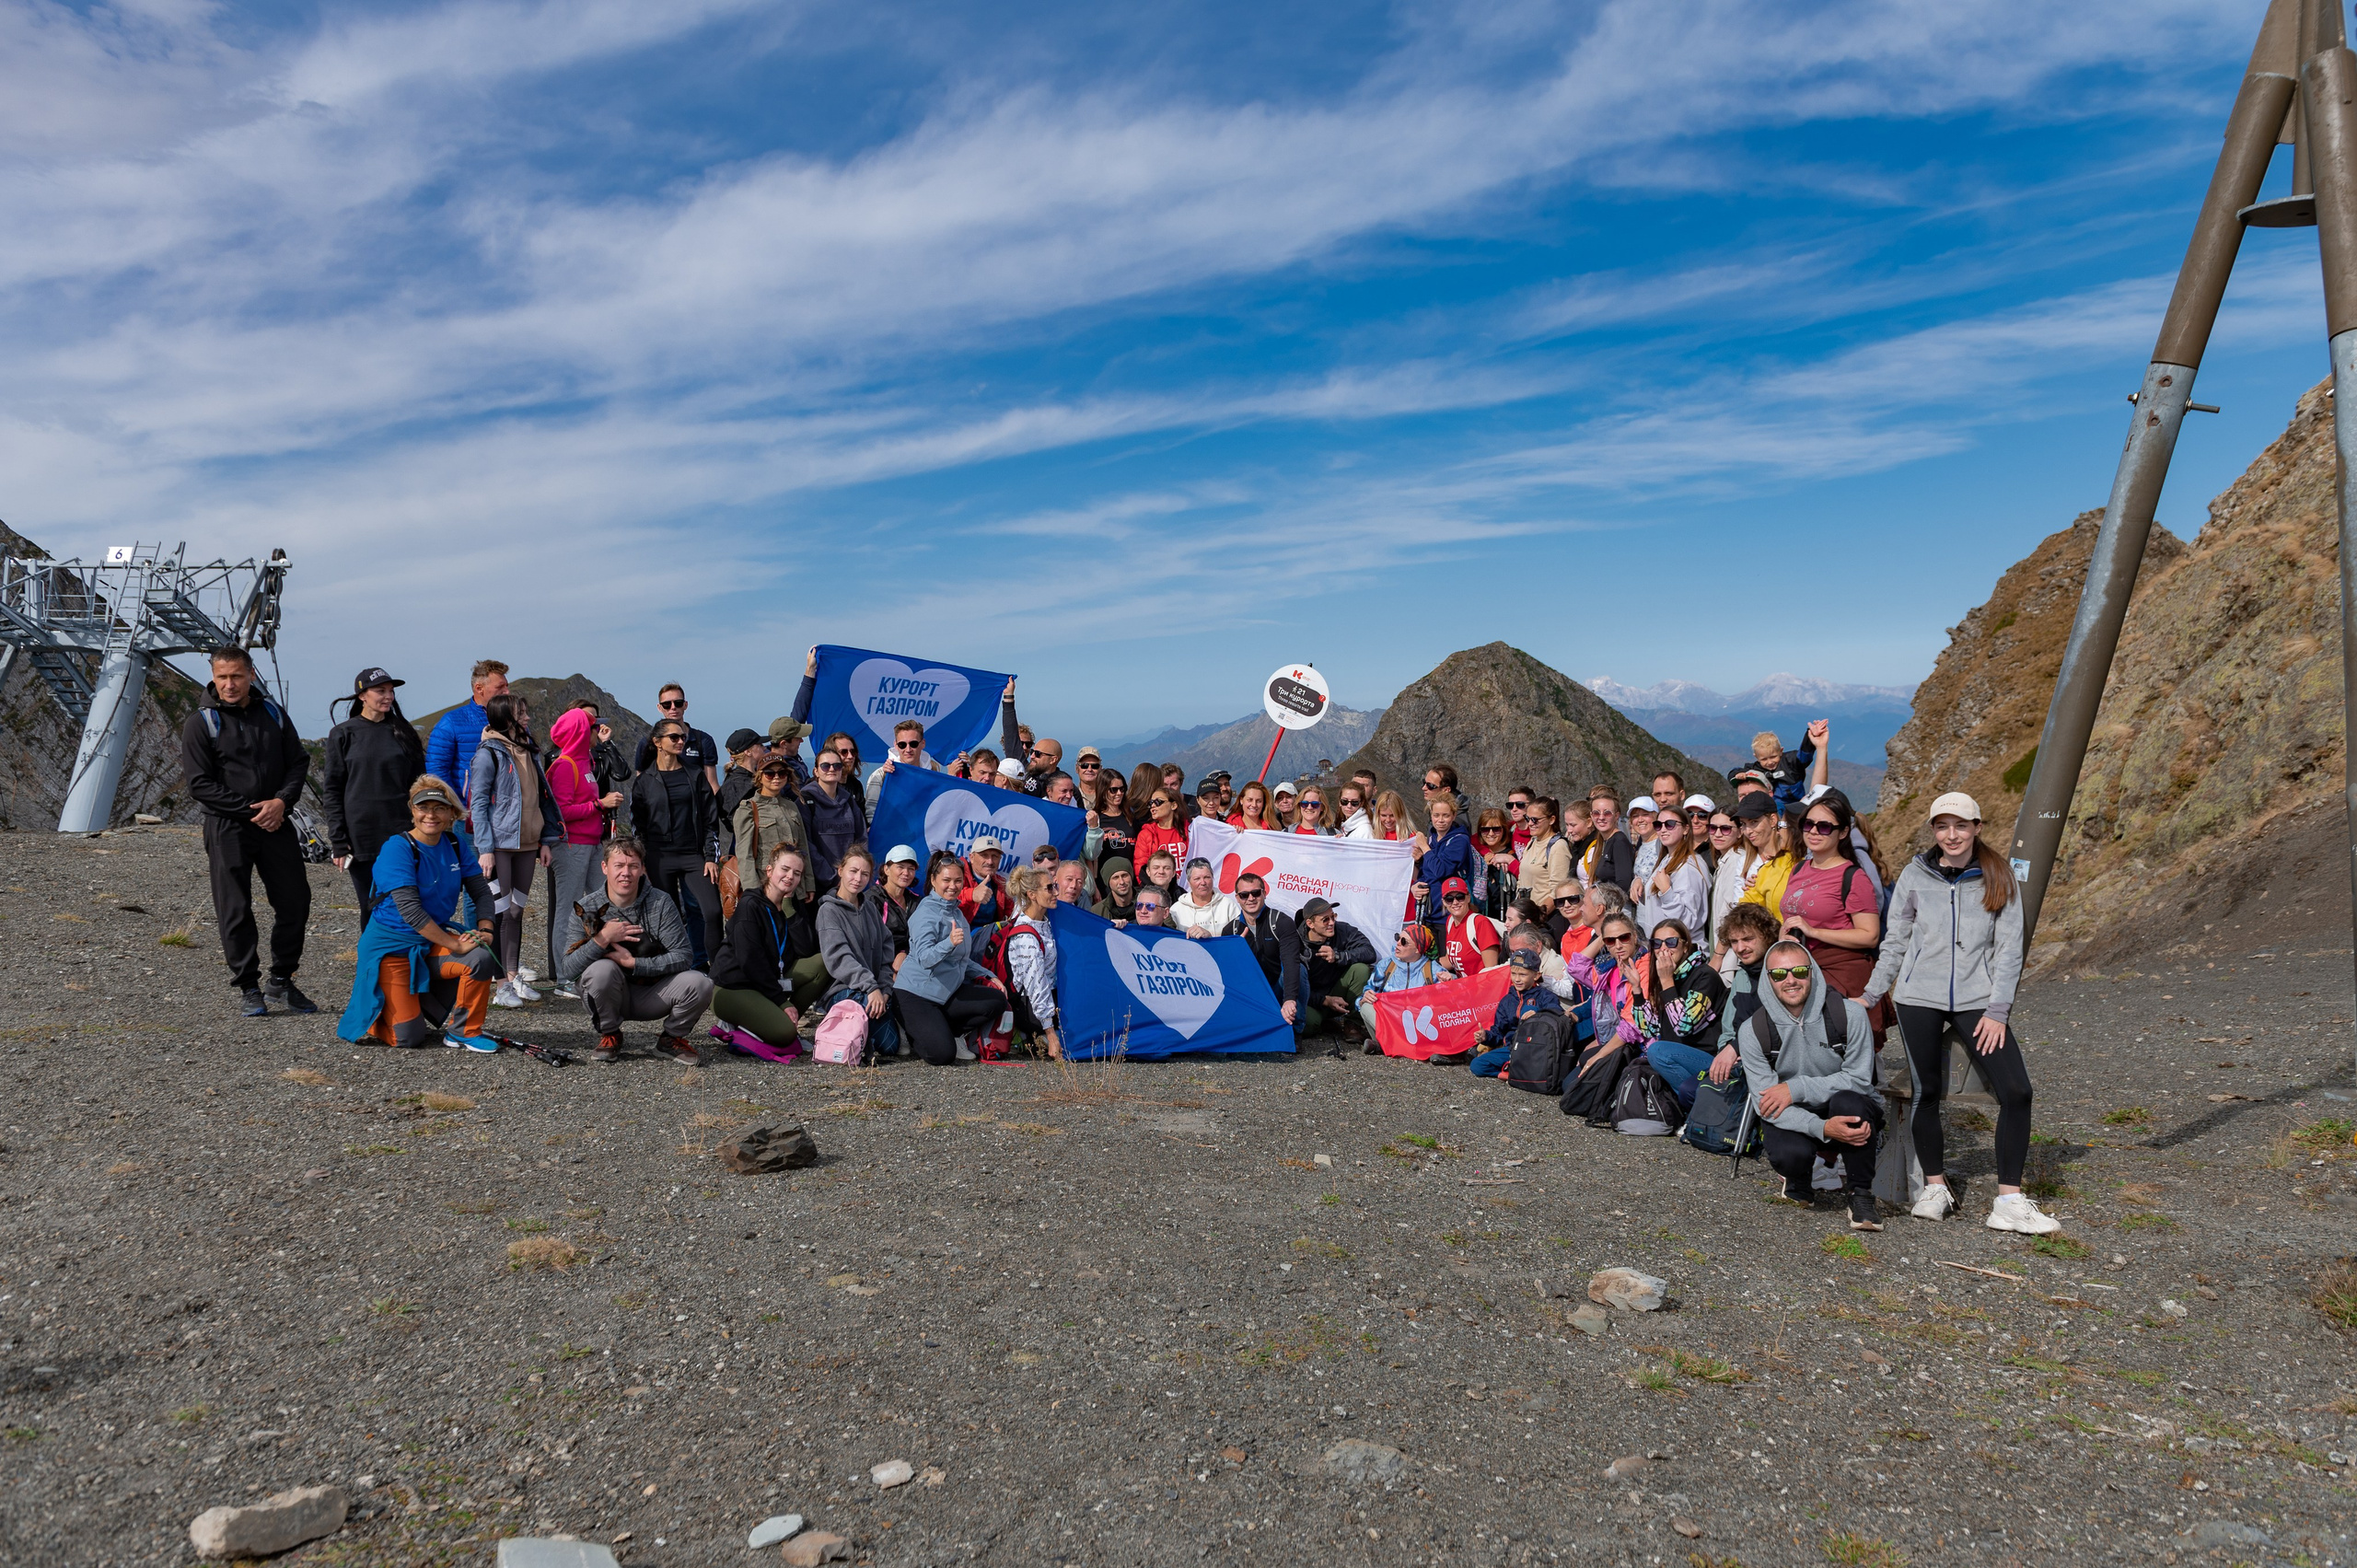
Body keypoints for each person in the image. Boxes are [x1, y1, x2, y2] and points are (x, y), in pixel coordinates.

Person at [1861, 793, 2055, 1234]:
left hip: (1978, 1000)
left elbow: (2009, 950)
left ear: (1977, 827)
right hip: (1917, 997)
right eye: (1943, 826)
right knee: (1926, 1091)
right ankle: (1935, 1187)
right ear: (1933, 830)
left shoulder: (1998, 874)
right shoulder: (1915, 873)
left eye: (1961, 826)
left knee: (2016, 1091)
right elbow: (1895, 940)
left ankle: (2009, 1201)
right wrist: (1871, 995)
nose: (1952, 835)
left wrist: (1998, 1011)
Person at [180, 645, 316, 1016]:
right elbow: (199, 783)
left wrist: (281, 803)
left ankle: (281, 981)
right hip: (227, 826)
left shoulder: (274, 713)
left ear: (251, 675)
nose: (229, 684)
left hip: (277, 820)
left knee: (295, 901)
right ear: (213, 676)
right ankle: (248, 987)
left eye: (236, 676)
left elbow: (298, 761)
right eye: (221, 677)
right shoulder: (201, 723)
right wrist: (252, 810)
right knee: (235, 908)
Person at [337, 776, 501, 1051]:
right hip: (392, 948)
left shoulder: (455, 844)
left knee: (480, 958)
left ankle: (464, 1032)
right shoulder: (397, 848)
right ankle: (380, 1012)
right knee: (409, 1038)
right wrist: (455, 944)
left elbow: (481, 892)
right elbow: (411, 911)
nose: (431, 815)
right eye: (423, 807)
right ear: (412, 811)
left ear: (451, 814)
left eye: (439, 808)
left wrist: (486, 929)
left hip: (429, 942)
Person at [1739, 943, 1883, 1231]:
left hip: (1842, 1102)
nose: (1790, 980)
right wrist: (1822, 1128)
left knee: (1851, 1105)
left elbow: (1858, 1079)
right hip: (1795, 1112)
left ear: (1813, 973)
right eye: (1779, 974)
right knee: (1787, 1154)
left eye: (1799, 971)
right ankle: (1799, 1178)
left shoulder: (1850, 1015)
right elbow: (1764, 1103)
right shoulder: (1753, 1030)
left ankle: (1861, 1194)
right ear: (1768, 980)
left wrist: (1795, 1088)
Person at [555, 837, 716, 1063]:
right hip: (610, 993)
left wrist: (633, 963)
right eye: (618, 865)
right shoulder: (586, 909)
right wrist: (602, 938)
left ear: (642, 869)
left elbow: (684, 956)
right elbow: (569, 968)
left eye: (633, 866)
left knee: (701, 982)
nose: (626, 873)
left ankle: (671, 1038)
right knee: (600, 970)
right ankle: (610, 1033)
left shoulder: (660, 902)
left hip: (654, 993)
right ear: (604, 868)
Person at [467, 692, 563, 1006]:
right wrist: (485, 848)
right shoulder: (487, 754)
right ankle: (501, 987)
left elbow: (542, 799)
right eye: (521, 713)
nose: (527, 718)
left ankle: (512, 977)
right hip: (499, 845)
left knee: (516, 911)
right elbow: (478, 804)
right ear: (506, 717)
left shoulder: (528, 749)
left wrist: (545, 840)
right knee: (497, 913)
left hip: (528, 844)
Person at [321, 666, 426, 914]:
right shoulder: (342, 734)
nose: (388, 696)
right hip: (362, 838)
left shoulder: (403, 732)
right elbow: (332, 790)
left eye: (391, 691)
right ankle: (373, 954)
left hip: (404, 833)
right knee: (371, 907)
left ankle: (407, 954)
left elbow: (421, 784)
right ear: (362, 695)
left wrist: (424, 828)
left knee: (409, 904)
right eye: (381, 691)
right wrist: (338, 841)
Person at [1779, 791, 1885, 1026]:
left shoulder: (1854, 877)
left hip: (1840, 977)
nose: (1814, 831)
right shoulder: (1798, 869)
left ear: (1843, 832)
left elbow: (1870, 936)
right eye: (1809, 824)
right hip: (1802, 972)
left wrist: (1813, 932)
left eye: (1825, 827)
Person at [709, 842, 824, 1059]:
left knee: (823, 964)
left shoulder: (792, 904)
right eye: (785, 869)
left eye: (797, 873)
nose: (790, 877)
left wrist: (790, 911)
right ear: (769, 871)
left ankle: (775, 1019)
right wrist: (782, 1000)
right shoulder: (750, 905)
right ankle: (736, 1025)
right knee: (784, 1033)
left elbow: (807, 950)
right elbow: (750, 961)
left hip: (768, 982)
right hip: (734, 986)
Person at [631, 717, 723, 966]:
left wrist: (710, 858)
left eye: (682, 737)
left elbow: (709, 820)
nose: (681, 741)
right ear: (657, 742)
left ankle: (717, 973)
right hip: (658, 857)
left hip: (693, 855)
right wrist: (641, 864)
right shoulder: (644, 782)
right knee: (667, 916)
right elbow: (637, 827)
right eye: (674, 737)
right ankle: (672, 969)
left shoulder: (695, 775)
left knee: (712, 911)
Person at [900, 851, 1004, 1064]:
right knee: (942, 1056)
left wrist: (989, 975)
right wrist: (949, 942)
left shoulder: (956, 912)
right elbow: (925, 959)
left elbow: (961, 959)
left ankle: (951, 1033)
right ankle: (905, 1026)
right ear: (933, 881)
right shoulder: (925, 913)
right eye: (946, 880)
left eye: (958, 881)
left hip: (946, 992)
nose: (952, 886)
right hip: (916, 994)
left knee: (997, 1000)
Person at [541, 705, 614, 1001]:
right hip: (570, 847)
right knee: (568, 913)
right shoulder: (564, 766)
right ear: (582, 733)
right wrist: (599, 805)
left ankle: (597, 970)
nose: (598, 732)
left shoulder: (585, 764)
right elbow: (561, 812)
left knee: (602, 905)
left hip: (593, 844)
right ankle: (563, 977)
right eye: (594, 727)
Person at [1633, 919, 1729, 1109]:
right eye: (1656, 943)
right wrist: (1637, 990)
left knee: (1657, 1051)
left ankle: (1701, 1106)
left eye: (1671, 942)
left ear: (1685, 946)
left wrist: (1667, 981)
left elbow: (1684, 1026)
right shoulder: (1668, 975)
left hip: (1711, 1059)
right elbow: (1649, 1029)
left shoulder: (1705, 976)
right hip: (1680, 1056)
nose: (1663, 949)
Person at [815, 846, 900, 1055]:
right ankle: (843, 1033)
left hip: (873, 989)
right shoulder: (829, 910)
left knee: (891, 1046)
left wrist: (884, 987)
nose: (858, 878)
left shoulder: (870, 908)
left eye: (864, 874)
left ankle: (865, 1034)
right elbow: (839, 958)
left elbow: (886, 948)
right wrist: (871, 988)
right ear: (841, 871)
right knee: (885, 1043)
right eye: (853, 871)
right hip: (842, 990)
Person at [424, 658, 508, 819]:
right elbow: (436, 769)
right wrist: (458, 808)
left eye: (507, 686)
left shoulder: (514, 720)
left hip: (509, 814)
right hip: (470, 816)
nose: (506, 692)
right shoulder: (451, 722)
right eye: (500, 687)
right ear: (479, 688)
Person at [1467, 949, 1565, 1081]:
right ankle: (1510, 1075)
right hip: (1512, 1049)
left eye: (1523, 974)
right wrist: (1485, 1036)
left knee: (1529, 1008)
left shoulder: (1546, 996)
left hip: (1537, 1049)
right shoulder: (1507, 1000)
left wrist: (1538, 1015)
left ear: (1536, 975)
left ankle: (1518, 1069)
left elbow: (1557, 1016)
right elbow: (1498, 1032)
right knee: (1477, 1065)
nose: (1517, 979)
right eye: (1513, 974)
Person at [999, 864, 1062, 1057]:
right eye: (1049, 888)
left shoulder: (1047, 919)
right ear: (1032, 895)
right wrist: (1051, 1034)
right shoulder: (1026, 938)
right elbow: (1036, 985)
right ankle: (1035, 1035)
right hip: (1031, 1008)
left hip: (1054, 995)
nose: (1056, 893)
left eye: (1055, 886)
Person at [732, 751, 809, 906]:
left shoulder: (792, 807)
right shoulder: (748, 809)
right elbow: (744, 855)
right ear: (759, 776)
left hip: (794, 888)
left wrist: (809, 884)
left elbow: (803, 847)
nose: (776, 777)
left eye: (782, 773)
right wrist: (752, 893)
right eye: (769, 773)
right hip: (765, 888)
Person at [1295, 898, 1376, 1043]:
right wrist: (1324, 1000)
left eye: (1333, 916)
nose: (1331, 923)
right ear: (1310, 924)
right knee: (1306, 1025)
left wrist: (1340, 956)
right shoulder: (1296, 942)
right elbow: (1294, 986)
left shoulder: (1343, 930)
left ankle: (1353, 1023)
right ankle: (1324, 1024)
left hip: (1337, 992)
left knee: (1361, 969)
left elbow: (1369, 952)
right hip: (1310, 999)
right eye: (1325, 919)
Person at [1225, 871, 1302, 1021]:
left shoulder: (1282, 922)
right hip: (1253, 993)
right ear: (1237, 898)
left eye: (1256, 893)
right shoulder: (1230, 930)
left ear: (1264, 893)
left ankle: (1297, 1032)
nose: (1251, 898)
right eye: (1244, 895)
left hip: (1280, 988)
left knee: (1302, 970)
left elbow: (1290, 962)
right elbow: (1228, 972)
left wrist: (1289, 999)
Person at [797, 738, 868, 890]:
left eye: (837, 765)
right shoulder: (806, 801)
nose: (832, 769)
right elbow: (806, 844)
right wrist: (832, 876)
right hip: (819, 884)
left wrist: (851, 873)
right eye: (825, 766)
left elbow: (861, 839)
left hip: (848, 882)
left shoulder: (849, 801)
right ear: (816, 771)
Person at [1355, 923, 1445, 1038]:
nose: (1397, 943)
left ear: (1418, 949)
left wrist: (1448, 985)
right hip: (1390, 1021)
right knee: (1366, 1007)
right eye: (1398, 937)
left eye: (1404, 942)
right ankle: (1397, 1041)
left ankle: (1384, 1045)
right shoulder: (1385, 965)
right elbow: (1362, 998)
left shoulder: (1434, 970)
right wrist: (1363, 999)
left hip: (1418, 1025)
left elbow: (1448, 1006)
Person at [1633, 807, 1710, 939]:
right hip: (1662, 947)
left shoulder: (1688, 868)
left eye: (1670, 824)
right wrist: (1639, 883)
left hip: (1680, 951)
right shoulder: (1667, 859)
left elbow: (1688, 921)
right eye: (1658, 825)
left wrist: (1667, 891)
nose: (1663, 830)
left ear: (1686, 829)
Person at [635, 683, 720, 793]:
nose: (673, 707)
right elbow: (640, 784)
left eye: (678, 703)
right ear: (659, 707)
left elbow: (712, 784)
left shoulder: (703, 740)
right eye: (667, 704)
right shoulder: (647, 743)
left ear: (685, 705)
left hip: (694, 806)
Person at [1734, 794, 1798, 923]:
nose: (1748, 831)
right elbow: (1739, 910)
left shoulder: (1795, 859)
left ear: (1773, 820)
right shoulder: (1742, 862)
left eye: (1754, 822)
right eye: (1744, 824)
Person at [1414, 796, 1477, 926]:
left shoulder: (1460, 840)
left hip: (1448, 914)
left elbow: (1440, 870)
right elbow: (1426, 872)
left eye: (1446, 815)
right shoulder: (1432, 838)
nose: (1440, 820)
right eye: (1436, 815)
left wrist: (1425, 848)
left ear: (1454, 816)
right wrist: (1416, 886)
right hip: (1427, 910)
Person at [1704, 806, 1755, 957]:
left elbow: (1729, 913)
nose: (1717, 834)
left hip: (1730, 952)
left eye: (1725, 829)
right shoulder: (1724, 860)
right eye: (1713, 828)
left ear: (1740, 832)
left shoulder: (1737, 861)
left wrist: (1718, 956)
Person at [871, 842, 924, 967]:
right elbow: (870, 943)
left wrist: (904, 953)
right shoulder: (872, 900)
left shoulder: (917, 902)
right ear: (886, 869)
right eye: (900, 867)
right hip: (880, 966)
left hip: (911, 962)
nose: (906, 873)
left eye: (911, 869)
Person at [866, 719, 940, 808]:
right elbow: (872, 816)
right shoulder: (880, 776)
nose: (908, 750)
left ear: (923, 744)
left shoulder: (934, 776)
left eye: (913, 744)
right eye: (902, 745)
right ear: (896, 745)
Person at [1514, 796, 1573, 907]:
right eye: (1527, 818)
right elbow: (1522, 880)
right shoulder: (1533, 841)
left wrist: (1540, 915)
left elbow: (1558, 889)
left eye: (1535, 820)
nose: (1530, 823)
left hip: (1545, 916)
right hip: (1526, 913)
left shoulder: (1558, 846)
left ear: (1551, 820)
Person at [1436, 877, 1502, 975]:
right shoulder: (1450, 921)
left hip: (1481, 986)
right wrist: (1426, 965)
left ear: (1468, 898)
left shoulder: (1480, 923)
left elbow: (1491, 970)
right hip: (1463, 986)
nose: (1455, 902)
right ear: (1444, 902)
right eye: (1449, 899)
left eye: (1460, 897)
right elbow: (1450, 960)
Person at [1169, 856, 1242, 939]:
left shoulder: (1228, 905)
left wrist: (1210, 938)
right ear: (1189, 882)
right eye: (1197, 879)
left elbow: (1237, 939)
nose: (1203, 882)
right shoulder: (1176, 910)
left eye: (1207, 877)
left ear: (1213, 878)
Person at [1583, 788, 1635, 895]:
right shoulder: (1605, 841)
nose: (1601, 818)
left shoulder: (1619, 842)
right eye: (1596, 813)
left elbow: (1623, 885)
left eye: (1607, 813)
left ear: (1616, 816)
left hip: (1616, 908)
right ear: (1591, 816)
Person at [717, 728, 767, 838]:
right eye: (760, 745)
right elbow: (732, 823)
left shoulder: (743, 780)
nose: (764, 748)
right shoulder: (735, 784)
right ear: (748, 752)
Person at [1132, 786, 1190, 878]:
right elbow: (1140, 869)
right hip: (1159, 890)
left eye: (1158, 802)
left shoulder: (1189, 830)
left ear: (1174, 805)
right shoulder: (1146, 834)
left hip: (1187, 889)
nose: (1153, 806)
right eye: (1150, 803)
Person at [1472, 807, 1516, 917]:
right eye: (1485, 830)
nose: (1491, 834)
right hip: (1479, 914)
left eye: (1496, 829)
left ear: (1504, 830)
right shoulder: (1474, 854)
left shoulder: (1510, 855)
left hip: (1503, 915)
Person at [958, 840, 1012, 926]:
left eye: (995, 856)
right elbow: (944, 900)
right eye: (984, 856)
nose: (990, 862)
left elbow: (1010, 913)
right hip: (960, 934)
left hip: (991, 935)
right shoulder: (958, 876)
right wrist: (971, 895)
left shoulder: (1002, 884)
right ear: (972, 858)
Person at [1094, 859, 1139, 923]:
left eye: (1124, 876)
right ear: (1108, 882)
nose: (1121, 882)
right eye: (1115, 878)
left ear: (1131, 877)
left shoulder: (1147, 905)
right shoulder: (1097, 912)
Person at [1137, 847, 1182, 911]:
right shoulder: (1136, 896)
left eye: (1167, 868)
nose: (1161, 872)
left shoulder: (1182, 897)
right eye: (1156, 868)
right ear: (1148, 871)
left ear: (1174, 873)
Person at [1505, 784, 1536, 852]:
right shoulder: (1510, 827)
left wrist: (1510, 860)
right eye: (1510, 805)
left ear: (1532, 805)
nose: (1514, 809)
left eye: (1520, 804)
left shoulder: (1539, 832)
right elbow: (1479, 837)